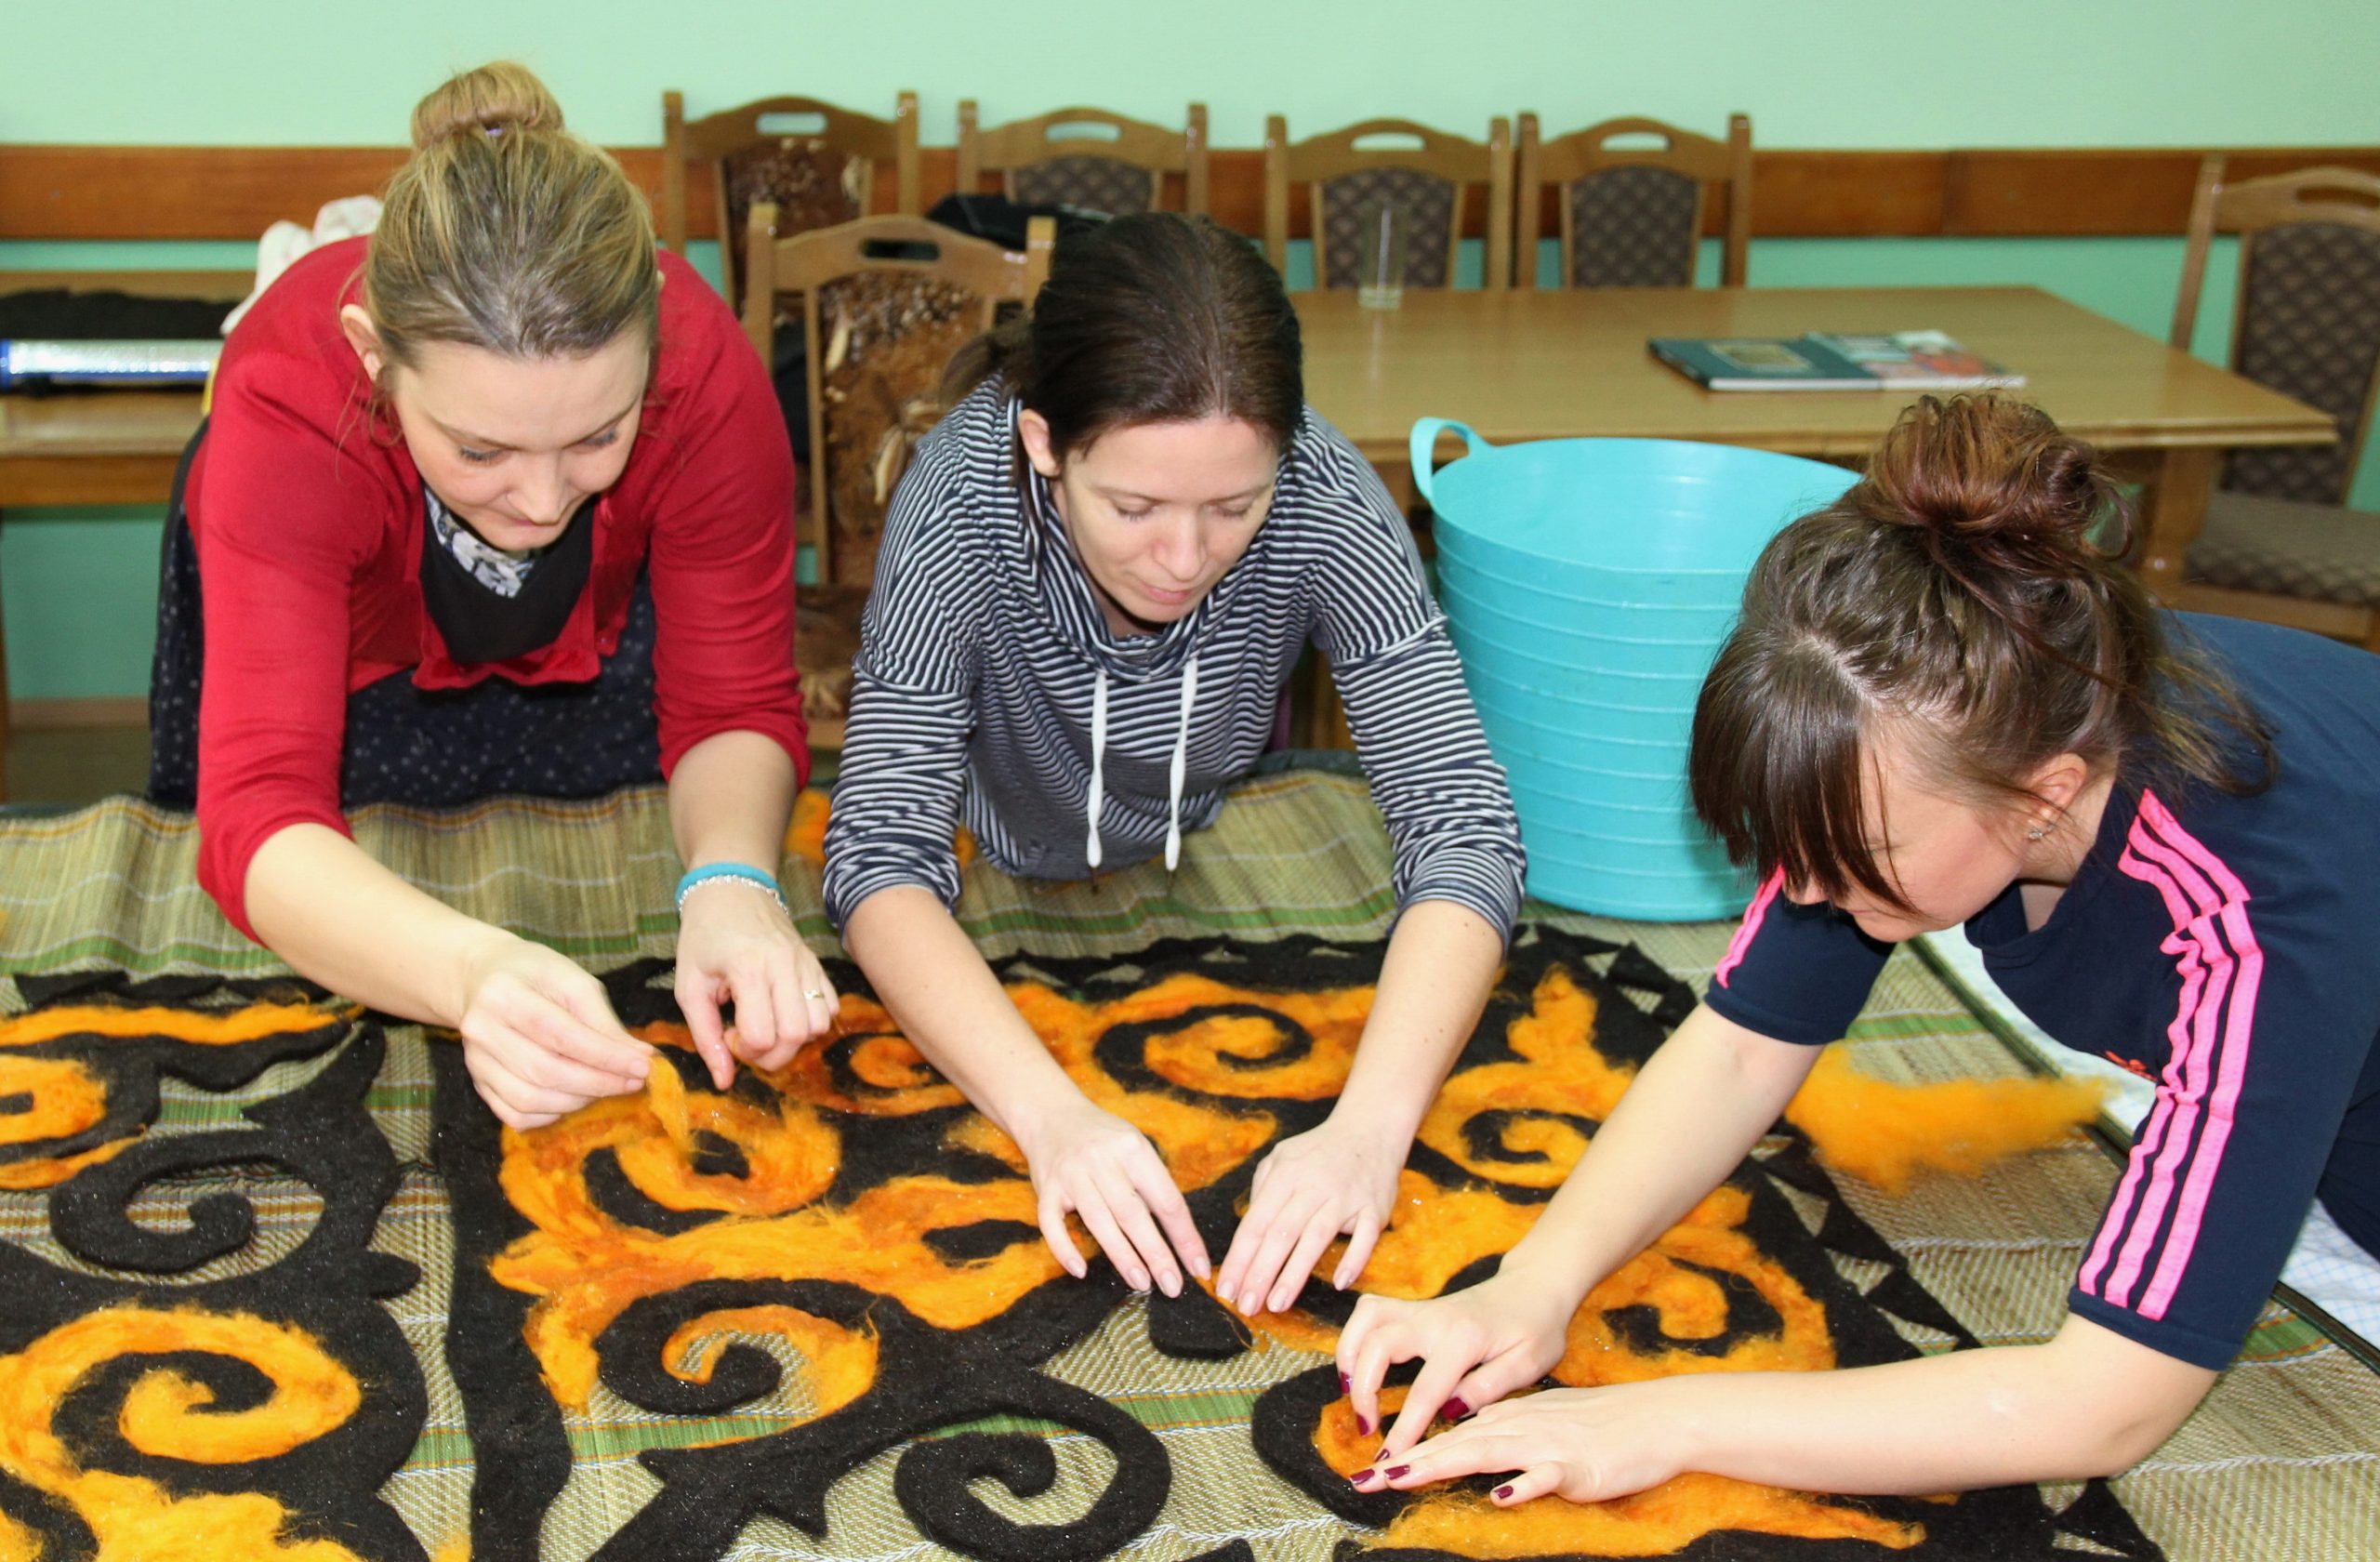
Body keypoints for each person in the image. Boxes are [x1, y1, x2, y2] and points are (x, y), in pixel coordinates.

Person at [1334, 394, 2380, 1504]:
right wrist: (1531, 1284)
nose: (1811, 893)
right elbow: (1742, 1044)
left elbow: (2102, 1403)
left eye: (1855, 855)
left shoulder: (2252, 911)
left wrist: (1654, 1419)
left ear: (2044, 797)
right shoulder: (1974, 710)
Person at [823, 212, 1527, 1314]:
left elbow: (1464, 823)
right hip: (991, 862)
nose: (1185, 558)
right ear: (1045, 443)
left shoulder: (1326, 495)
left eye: (1234, 507)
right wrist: (1050, 1119)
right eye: (1134, 507)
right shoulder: (960, 498)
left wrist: (1367, 1131)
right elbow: (879, 849)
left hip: (1203, 837)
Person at [151, 62, 834, 1130]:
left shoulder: (705, 377)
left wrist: (732, 882)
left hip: (591, 628)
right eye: (480, 448)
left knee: (606, 849)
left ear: (654, 333)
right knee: (349, 906)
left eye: (599, 437)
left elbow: (732, 703)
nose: (542, 500)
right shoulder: (288, 401)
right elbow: (263, 810)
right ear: (375, 355)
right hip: (352, 638)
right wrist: (467, 971)